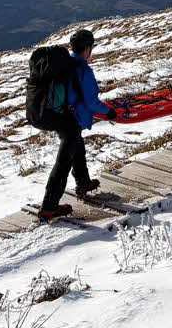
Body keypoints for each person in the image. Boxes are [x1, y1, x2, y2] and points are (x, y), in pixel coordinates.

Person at [37, 28, 115, 221]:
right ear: (87, 48)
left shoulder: (64, 64)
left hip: (59, 115)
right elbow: (91, 102)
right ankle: (49, 207)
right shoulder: (82, 69)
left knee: (77, 147)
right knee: (63, 162)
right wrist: (109, 111)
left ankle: (83, 183)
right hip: (69, 120)